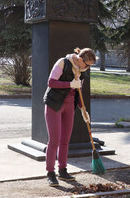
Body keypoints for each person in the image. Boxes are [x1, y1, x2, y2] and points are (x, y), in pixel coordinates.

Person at [43, 47, 97, 187]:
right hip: (54, 105)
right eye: (87, 65)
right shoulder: (63, 62)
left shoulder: (82, 72)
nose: (87, 68)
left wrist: (83, 110)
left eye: (90, 66)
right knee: (54, 140)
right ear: (79, 59)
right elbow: (51, 82)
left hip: (69, 106)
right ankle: (50, 173)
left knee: (65, 141)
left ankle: (62, 170)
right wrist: (69, 84)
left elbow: (78, 92)